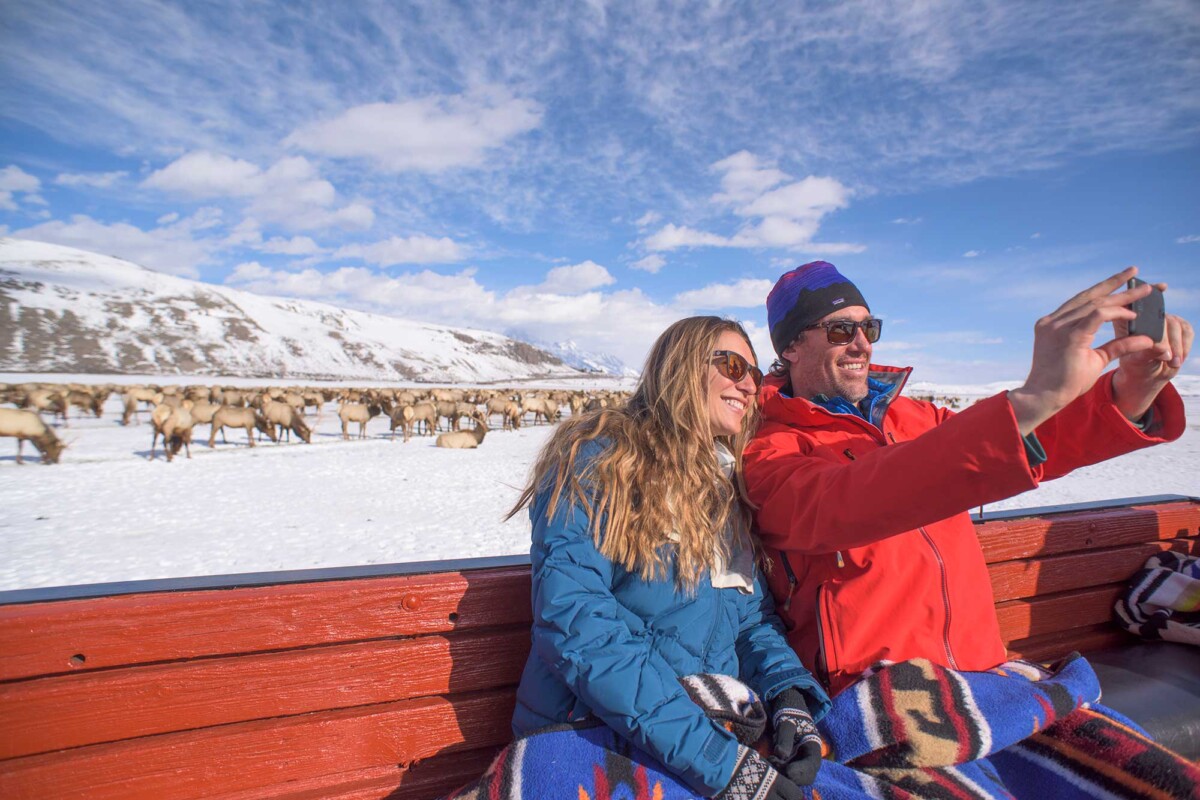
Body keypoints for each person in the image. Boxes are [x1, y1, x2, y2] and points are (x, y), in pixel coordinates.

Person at [743, 261, 1192, 696]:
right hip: (872, 696)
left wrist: (1131, 391)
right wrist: (1031, 398)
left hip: (980, 675)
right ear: (790, 348)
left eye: (869, 328)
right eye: (841, 330)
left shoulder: (917, 418)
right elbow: (848, 501)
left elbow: (1030, 443)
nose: (862, 344)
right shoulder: (770, 449)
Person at [508, 316, 831, 799]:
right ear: (680, 367)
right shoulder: (599, 461)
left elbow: (750, 620)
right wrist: (722, 766)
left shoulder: (722, 486)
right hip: (588, 734)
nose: (747, 384)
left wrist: (788, 696)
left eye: (755, 374)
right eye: (731, 365)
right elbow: (579, 626)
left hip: (706, 734)